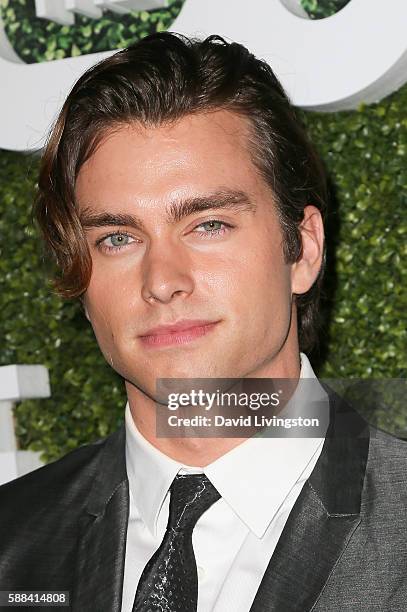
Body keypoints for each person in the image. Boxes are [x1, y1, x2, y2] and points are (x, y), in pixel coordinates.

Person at [0, 32, 406, 612]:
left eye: (209, 224)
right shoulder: (12, 543)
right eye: (118, 238)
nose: (162, 279)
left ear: (303, 249)